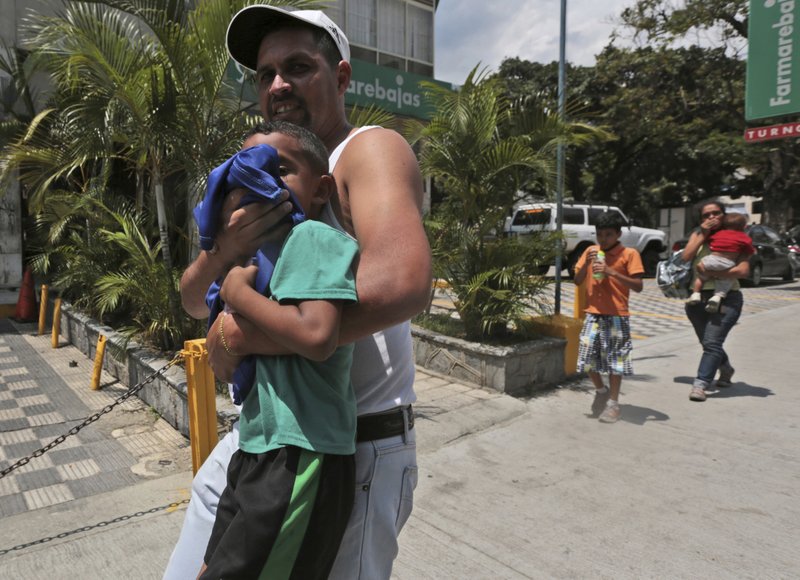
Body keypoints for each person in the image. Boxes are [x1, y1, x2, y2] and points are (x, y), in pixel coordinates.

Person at [164, 7, 431, 580]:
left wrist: (241, 333)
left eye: (298, 67)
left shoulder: (365, 150)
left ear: (341, 76)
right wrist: (225, 248)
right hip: (260, 436)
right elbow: (191, 298)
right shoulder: (263, 174)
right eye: (266, 74)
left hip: (348, 449)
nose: (278, 84)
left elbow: (403, 282)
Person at [194, 121, 359, 579]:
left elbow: (317, 335)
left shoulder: (313, 238)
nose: (261, 180)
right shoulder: (259, 255)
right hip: (258, 448)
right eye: (247, 169)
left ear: (321, 188)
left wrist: (238, 294)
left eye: (281, 169)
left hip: (300, 454)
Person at [573, 211, 644, 424]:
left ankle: (613, 404)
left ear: (618, 234)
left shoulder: (629, 254)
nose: (603, 239)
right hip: (593, 313)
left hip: (616, 315)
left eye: (608, 235)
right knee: (585, 358)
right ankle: (601, 391)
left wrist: (611, 271)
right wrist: (587, 264)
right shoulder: (591, 251)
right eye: (599, 234)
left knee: (616, 361)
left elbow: (638, 286)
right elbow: (577, 280)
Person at [682, 199, 749, 402]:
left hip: (727, 298)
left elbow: (743, 270)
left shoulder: (737, 236)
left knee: (712, 342)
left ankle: (700, 384)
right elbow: (686, 257)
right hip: (697, 298)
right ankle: (726, 368)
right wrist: (703, 234)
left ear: (724, 215)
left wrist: (712, 273)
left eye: (716, 213)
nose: (711, 217)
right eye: (706, 215)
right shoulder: (698, 234)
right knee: (707, 342)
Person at [686, 212, 754, 313]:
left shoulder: (719, 234)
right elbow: (750, 251)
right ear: (744, 226)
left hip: (711, 260)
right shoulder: (744, 238)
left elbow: (709, 240)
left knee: (700, 278)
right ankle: (717, 297)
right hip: (728, 263)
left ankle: (696, 294)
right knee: (725, 281)